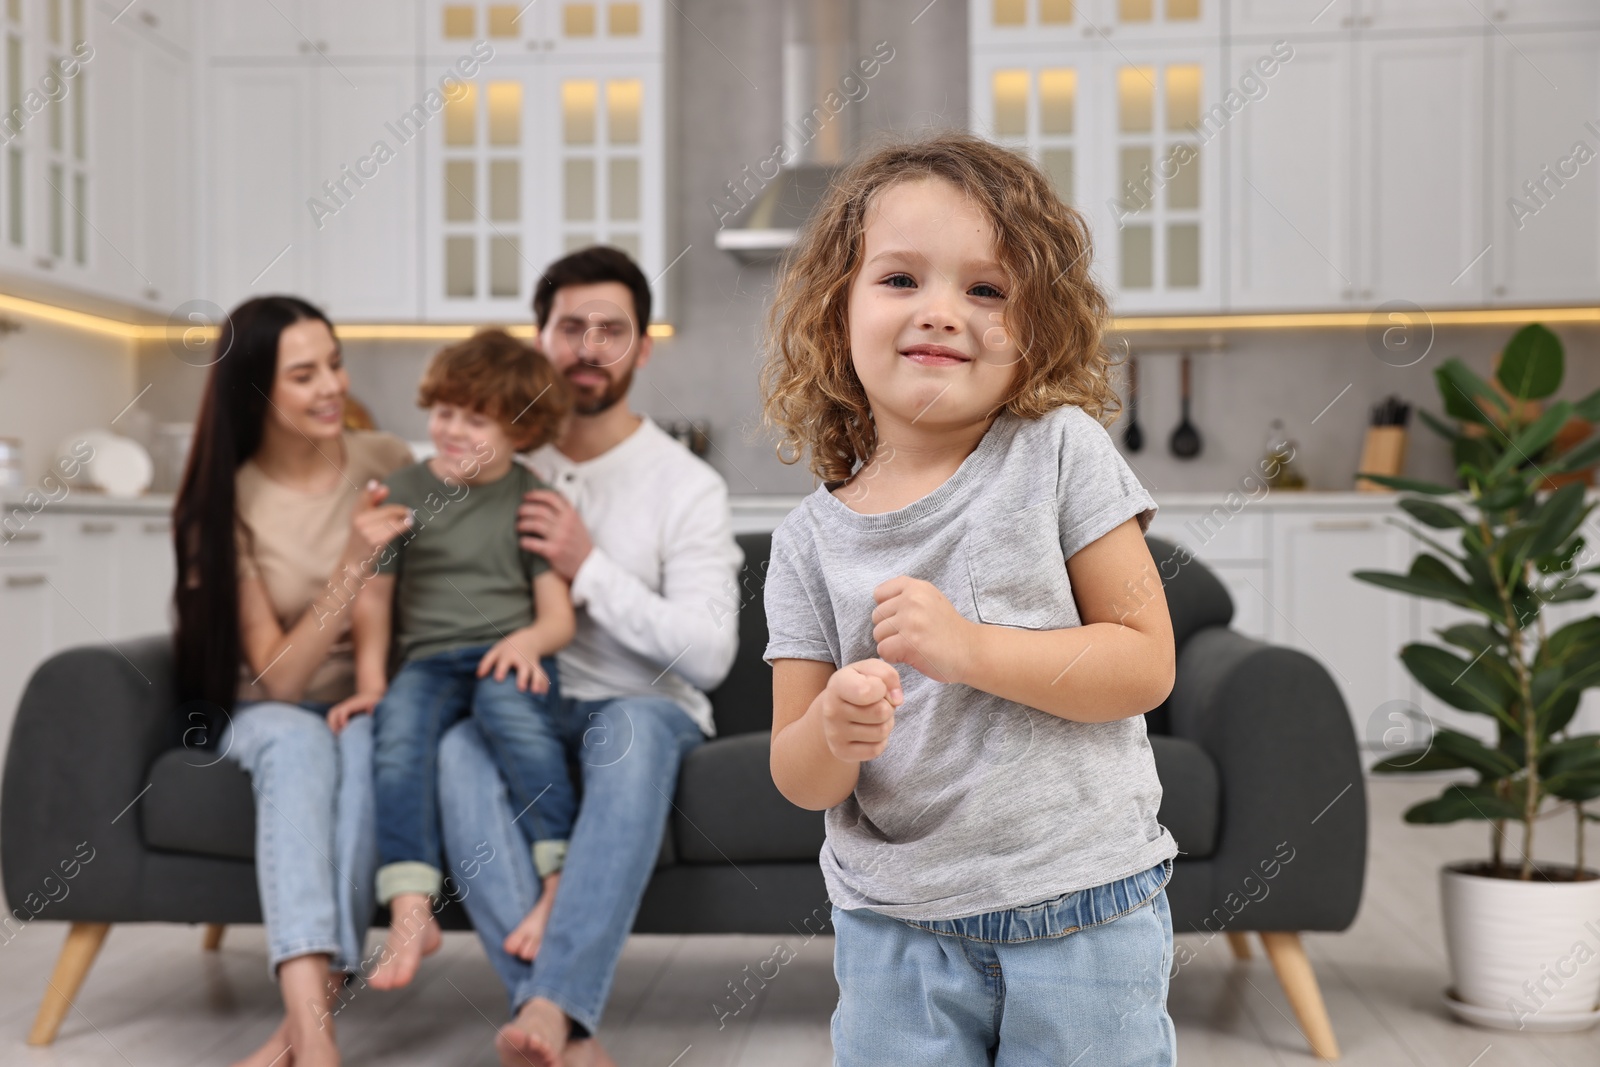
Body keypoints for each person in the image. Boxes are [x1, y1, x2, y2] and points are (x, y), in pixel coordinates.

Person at [759, 132, 1181, 1065]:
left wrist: (966, 648)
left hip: (1086, 909)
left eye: (986, 289)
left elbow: (1145, 661)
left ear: (1034, 327)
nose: (943, 312)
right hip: (894, 932)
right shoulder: (805, 544)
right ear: (837, 314)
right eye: (901, 279)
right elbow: (799, 776)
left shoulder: (1061, 451)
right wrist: (833, 729)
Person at [432, 246, 744, 1067]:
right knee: (460, 747)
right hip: (518, 703)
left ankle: (550, 1011)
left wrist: (588, 565)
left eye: (613, 330)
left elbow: (709, 656)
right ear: (540, 338)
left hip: (641, 709)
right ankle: (563, 1027)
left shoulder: (686, 486)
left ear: (643, 347)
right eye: (571, 327)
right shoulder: (496, 462)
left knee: (632, 728)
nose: (590, 348)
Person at [172, 296, 414, 1067]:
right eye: (303, 374)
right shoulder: (227, 504)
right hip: (266, 704)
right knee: (305, 742)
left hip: (364, 695)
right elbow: (278, 680)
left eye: (334, 363)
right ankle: (317, 1041)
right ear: (255, 391)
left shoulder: (384, 461)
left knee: (367, 739)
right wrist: (349, 566)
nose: (330, 386)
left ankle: (302, 1031)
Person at [326, 330, 577, 990]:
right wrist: (374, 683)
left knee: (514, 720)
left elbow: (558, 616)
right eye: (444, 411)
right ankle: (412, 903)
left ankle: (558, 881)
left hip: (506, 659)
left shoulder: (534, 500)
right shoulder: (400, 492)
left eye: (476, 417)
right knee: (398, 733)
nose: (452, 429)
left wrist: (527, 642)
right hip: (430, 662)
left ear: (522, 430)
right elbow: (373, 601)